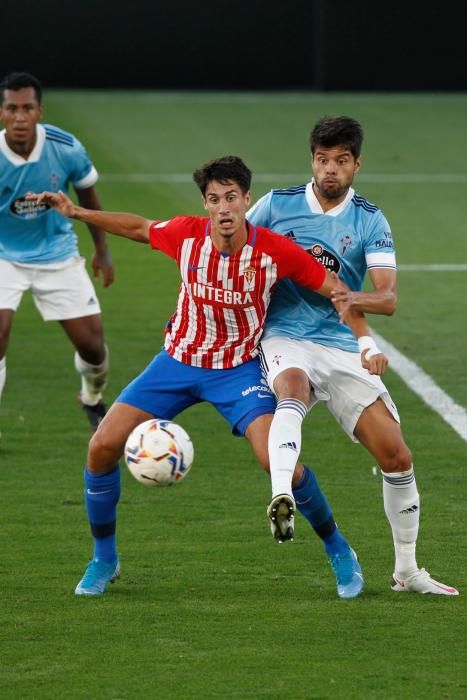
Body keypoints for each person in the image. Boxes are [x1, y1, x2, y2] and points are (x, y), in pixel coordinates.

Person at [29, 155, 383, 598]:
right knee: (101, 446)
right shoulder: (186, 235)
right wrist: (77, 211)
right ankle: (104, 558)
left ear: (246, 200)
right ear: (205, 204)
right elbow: (139, 228)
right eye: (214, 199)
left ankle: (339, 550)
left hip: (237, 372)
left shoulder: (275, 251)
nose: (223, 208)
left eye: (231, 198)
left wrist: (365, 339)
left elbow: (338, 291)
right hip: (176, 363)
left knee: (279, 461)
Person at [248, 115, 458, 596]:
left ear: (356, 164)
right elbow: (235, 246)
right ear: (312, 160)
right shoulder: (275, 206)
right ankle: (282, 493)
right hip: (284, 335)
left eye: (341, 161)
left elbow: (387, 298)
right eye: (322, 160)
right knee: (293, 390)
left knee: (396, 453)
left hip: (341, 344)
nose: (330, 170)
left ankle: (407, 570)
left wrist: (347, 298)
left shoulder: (369, 219)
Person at [0, 72, 113, 430]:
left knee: (92, 347)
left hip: (57, 254)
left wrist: (102, 250)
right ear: (2, 113)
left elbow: (88, 199)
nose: (20, 116)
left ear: (40, 111)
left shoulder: (65, 148)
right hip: (4, 255)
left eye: (27, 108)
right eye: (12, 108)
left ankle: (92, 397)